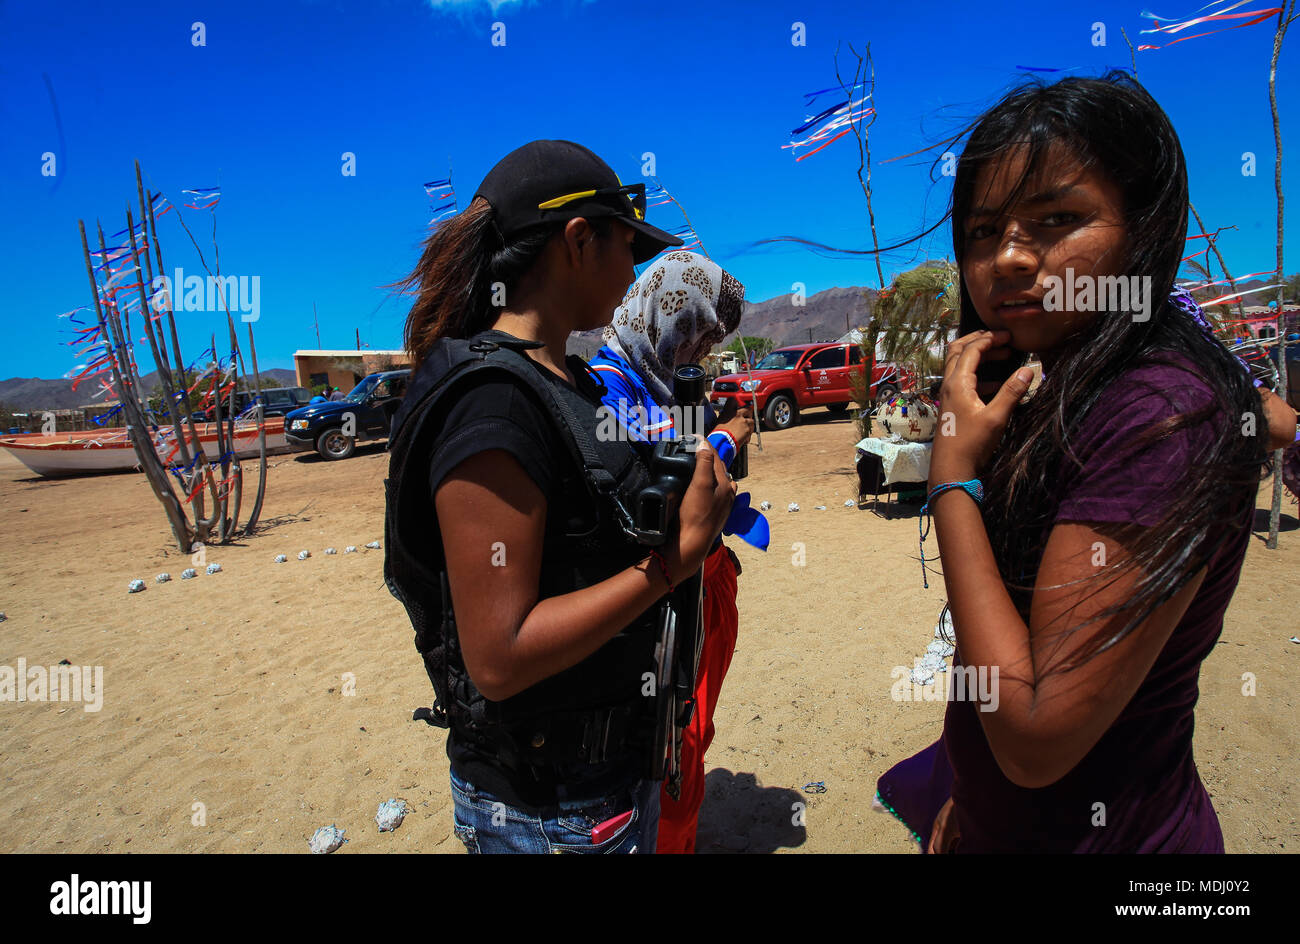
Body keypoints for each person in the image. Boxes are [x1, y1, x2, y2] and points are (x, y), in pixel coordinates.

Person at [878, 71, 1275, 853]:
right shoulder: (1053, 384)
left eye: (1058, 219)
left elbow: (1033, 735)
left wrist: (951, 477)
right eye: (985, 232)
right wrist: (964, 790)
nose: (1012, 259)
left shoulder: (1161, 416)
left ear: (1145, 230)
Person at [383, 139, 735, 854]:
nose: (636, 273)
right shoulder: (494, 405)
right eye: (628, 247)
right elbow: (500, 656)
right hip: (551, 812)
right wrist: (674, 560)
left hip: (603, 782)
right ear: (580, 240)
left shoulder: (568, 381)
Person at [587, 251, 763, 853]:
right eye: (697, 338)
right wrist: (728, 437)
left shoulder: (664, 384)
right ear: (669, 322)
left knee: (694, 728)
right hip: (659, 610)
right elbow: (667, 462)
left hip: (700, 590)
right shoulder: (605, 389)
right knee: (672, 751)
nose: (702, 357)